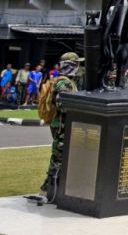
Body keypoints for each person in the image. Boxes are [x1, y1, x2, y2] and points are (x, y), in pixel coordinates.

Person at [39, 52, 81, 202]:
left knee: (62, 157)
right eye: (76, 64)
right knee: (58, 157)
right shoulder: (63, 83)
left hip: (64, 125)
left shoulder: (68, 81)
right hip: (62, 125)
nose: (79, 67)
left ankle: (52, 187)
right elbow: (62, 105)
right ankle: (48, 189)